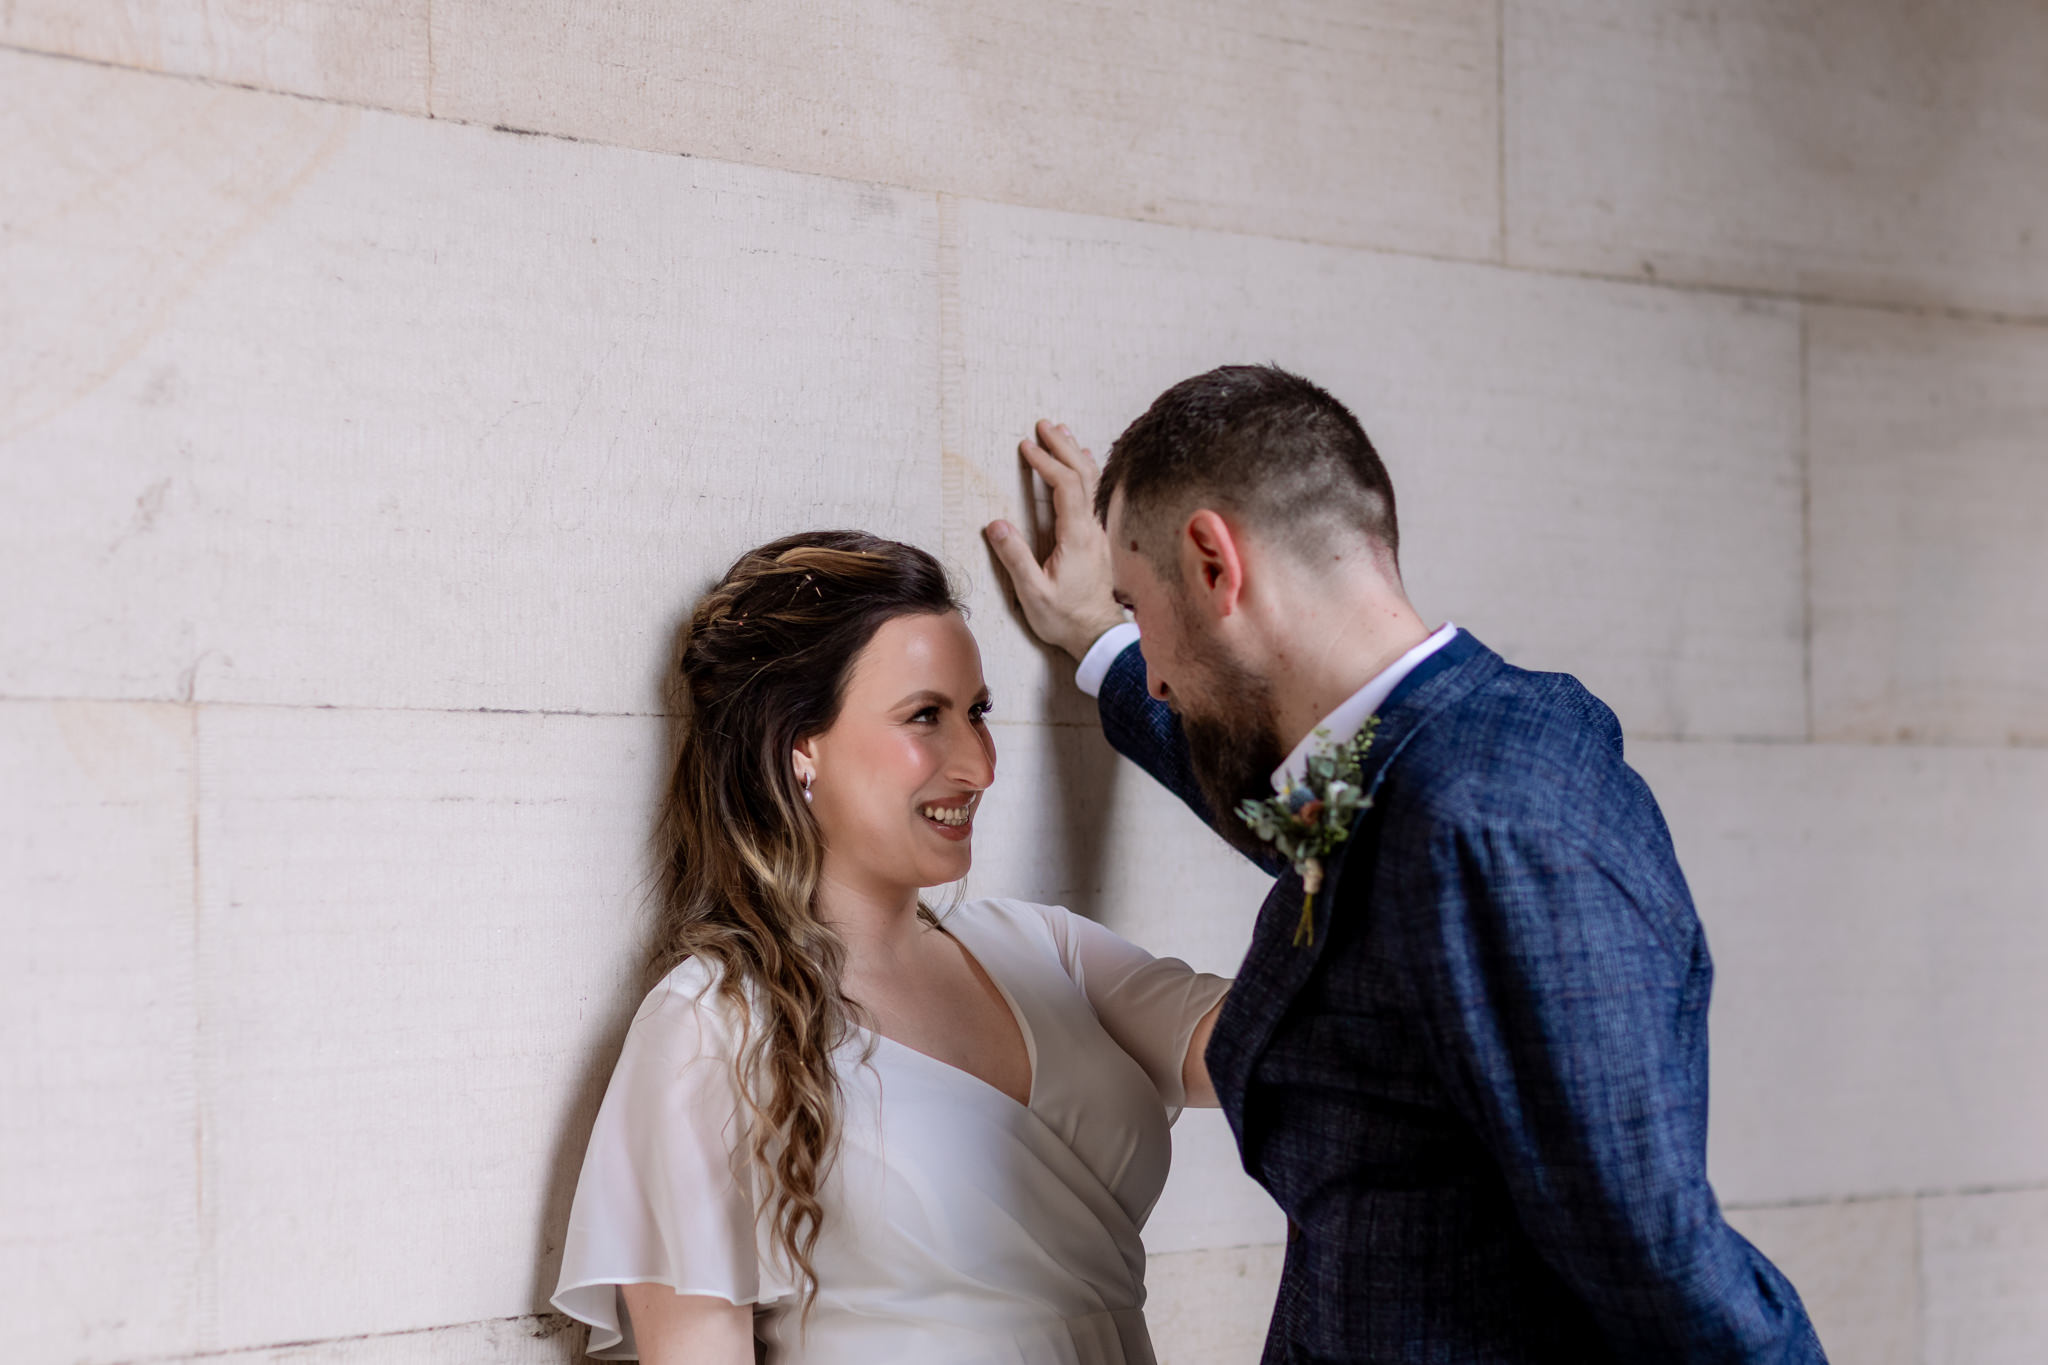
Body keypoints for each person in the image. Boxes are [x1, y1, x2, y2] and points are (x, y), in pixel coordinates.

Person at [983, 366, 1827, 1363]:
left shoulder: (1482, 822)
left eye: (1141, 605)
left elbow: (1654, 1260)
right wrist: (1100, 642)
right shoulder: (1408, 757)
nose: (1158, 675)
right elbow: (1289, 827)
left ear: (1214, 563)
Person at [550, 530, 1229, 1364]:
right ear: (800, 747)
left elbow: (1312, 1028)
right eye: (925, 716)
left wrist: (1123, 640)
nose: (979, 764)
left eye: (977, 712)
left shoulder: (1043, 946)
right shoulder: (710, 1025)